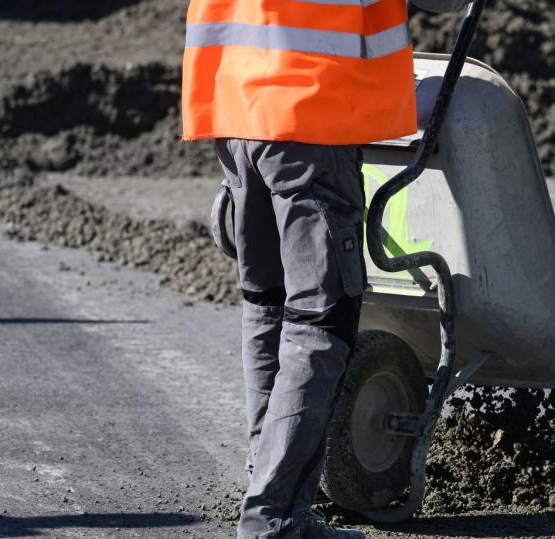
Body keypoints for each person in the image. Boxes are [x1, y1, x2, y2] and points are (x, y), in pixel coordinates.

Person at [181, 0, 468, 537]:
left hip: (239, 110)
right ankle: (274, 517)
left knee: (268, 303)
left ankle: (266, 482)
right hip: (309, 118)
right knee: (320, 323)